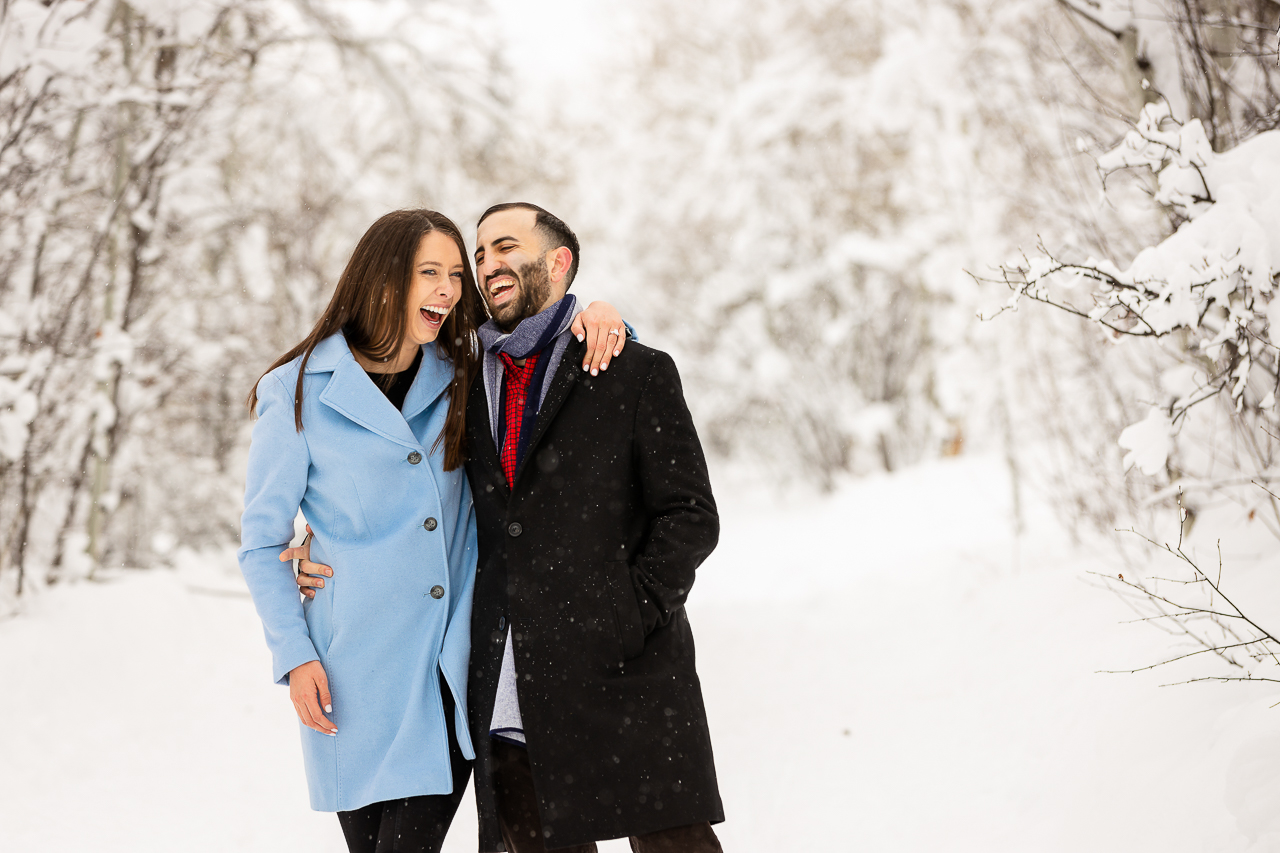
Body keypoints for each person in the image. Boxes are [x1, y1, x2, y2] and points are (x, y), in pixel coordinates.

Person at [298, 203, 725, 852]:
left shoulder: (633, 371)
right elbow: (394, 480)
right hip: (509, 691)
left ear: (558, 263)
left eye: (505, 246)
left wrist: (630, 611)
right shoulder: (457, 376)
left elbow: (691, 516)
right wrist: (314, 541)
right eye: (480, 254)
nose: (488, 264)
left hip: (628, 675)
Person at [239, 208, 627, 853]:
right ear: (384, 280)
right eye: (430, 273)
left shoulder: (465, 371)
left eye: (456, 274)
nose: (450, 289)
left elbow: (551, 362)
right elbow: (260, 542)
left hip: (447, 666)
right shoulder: (299, 390)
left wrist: (603, 315)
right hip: (352, 672)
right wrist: (295, 654)